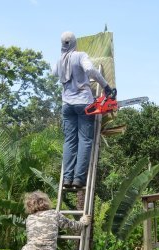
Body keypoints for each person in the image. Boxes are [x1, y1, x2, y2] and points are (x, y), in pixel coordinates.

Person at [52, 31, 116, 188]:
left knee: (69, 141)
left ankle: (67, 178)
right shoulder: (80, 55)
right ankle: (79, 179)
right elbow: (90, 70)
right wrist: (106, 86)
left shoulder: (60, 60)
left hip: (67, 105)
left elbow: (53, 73)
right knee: (85, 140)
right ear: (75, 42)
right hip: (84, 103)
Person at [13, 191, 91, 250]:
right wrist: (83, 222)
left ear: (29, 205)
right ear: (45, 201)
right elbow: (73, 226)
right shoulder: (54, 214)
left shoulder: (29, 218)